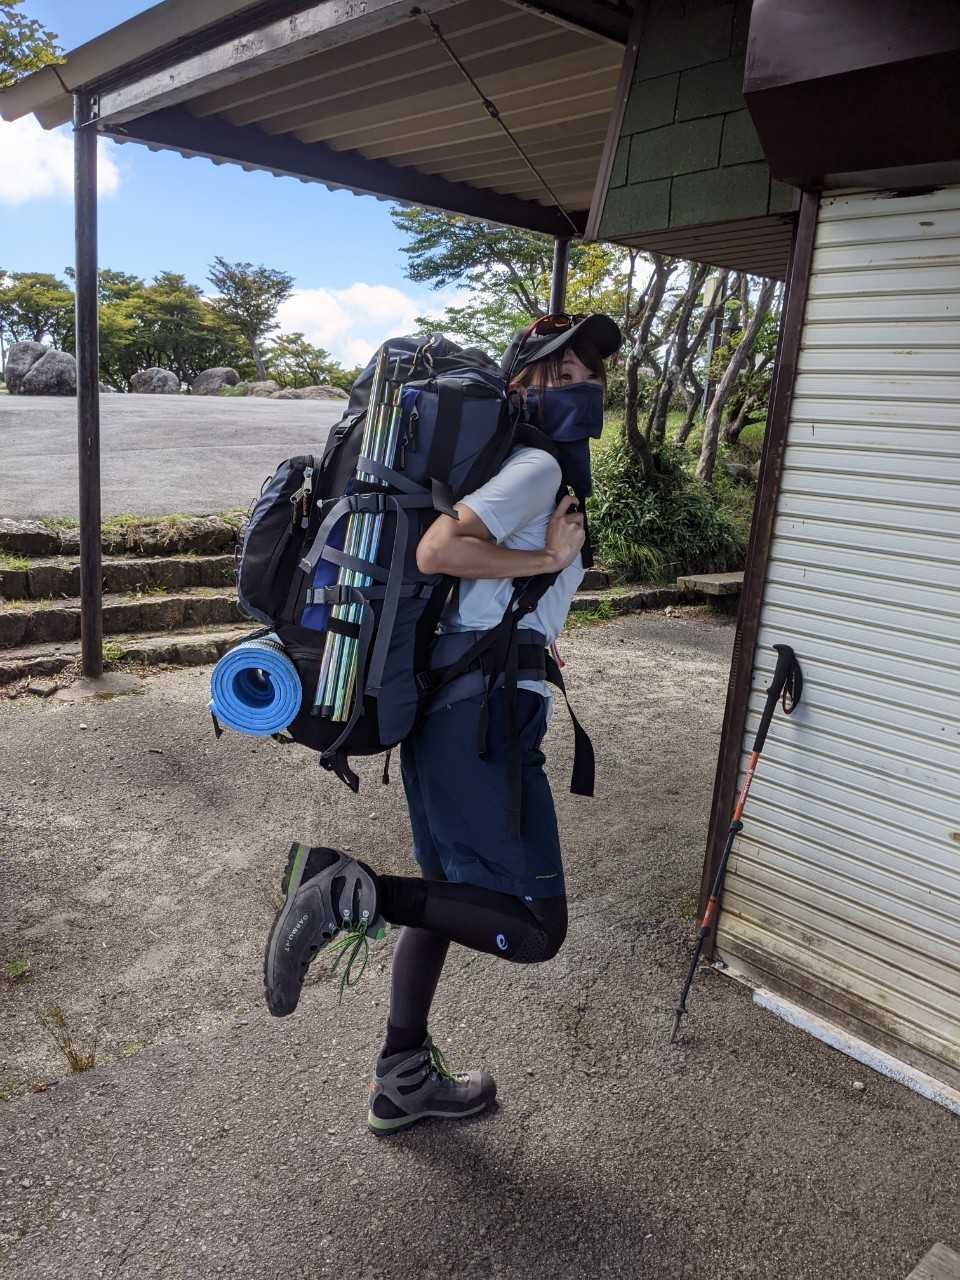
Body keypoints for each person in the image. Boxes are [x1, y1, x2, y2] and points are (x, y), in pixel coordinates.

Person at [263, 313, 623, 1135]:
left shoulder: (527, 466)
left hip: (461, 703)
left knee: (445, 898)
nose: (583, 388)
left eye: (589, 374)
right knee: (532, 928)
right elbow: (437, 551)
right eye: (563, 373)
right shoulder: (535, 466)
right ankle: (341, 889)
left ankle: (402, 1082)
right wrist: (546, 561)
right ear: (522, 384)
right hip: (483, 713)